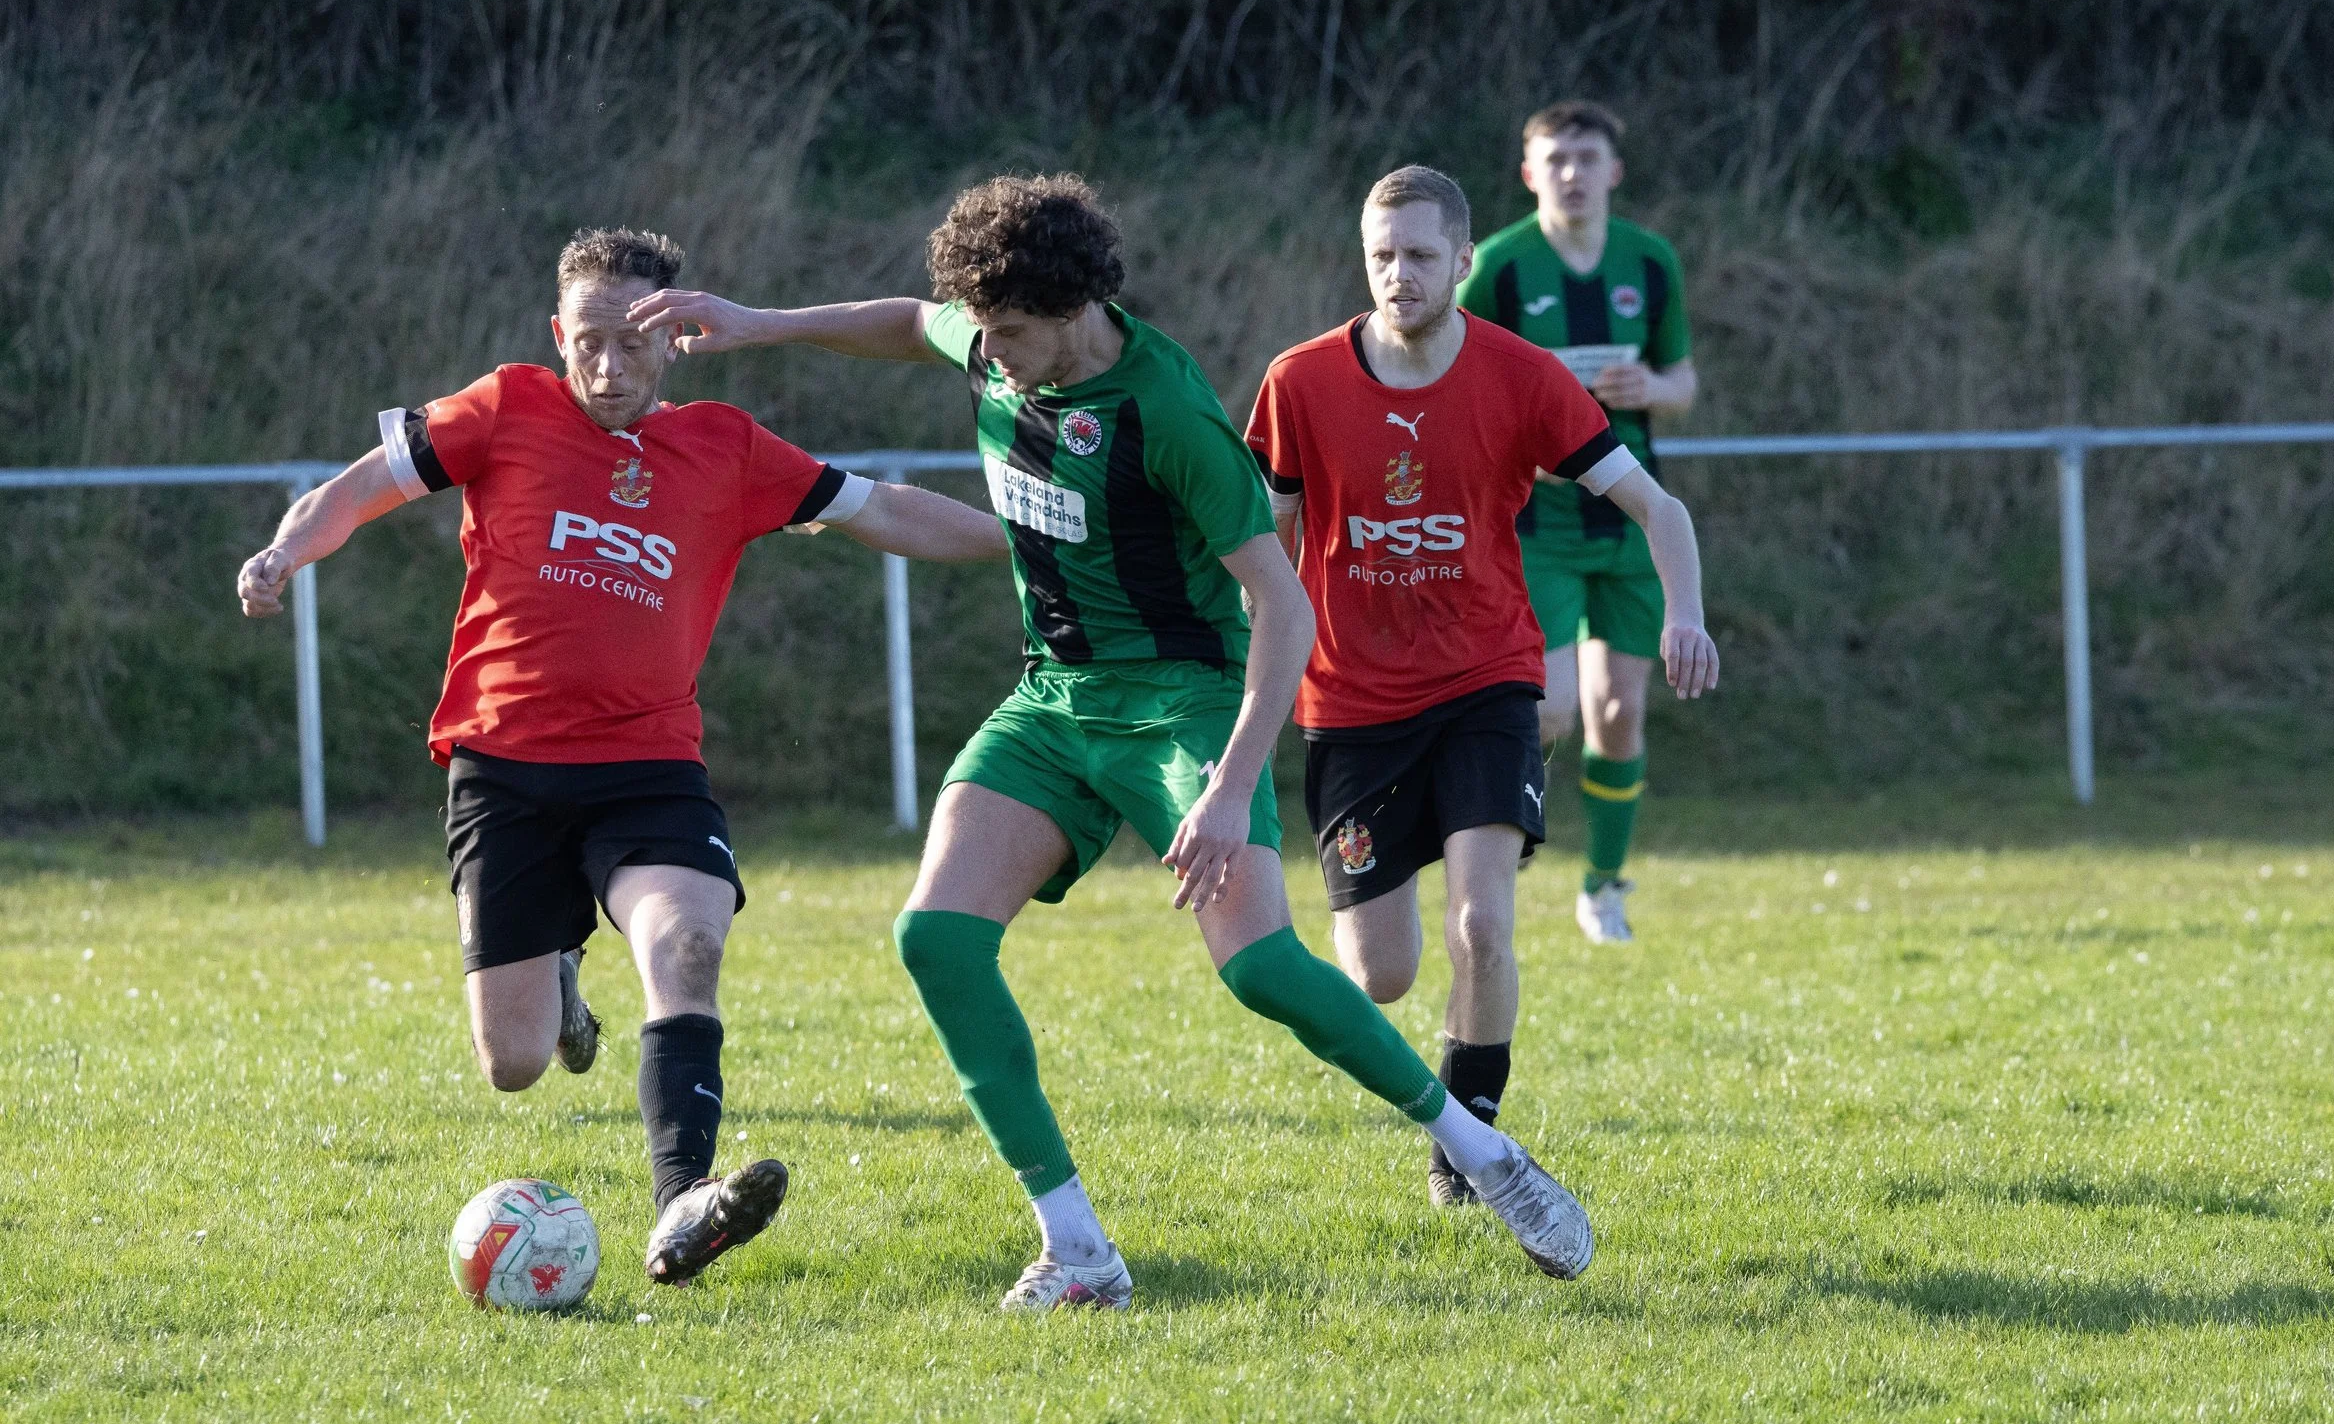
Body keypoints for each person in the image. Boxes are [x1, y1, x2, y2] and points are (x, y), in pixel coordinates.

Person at [630, 173, 1595, 1310]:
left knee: (1264, 972)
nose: (991, 356)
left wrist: (1231, 786)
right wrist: (755, 323)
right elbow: (910, 321)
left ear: (1076, 307)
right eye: (982, 335)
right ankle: (1078, 1243)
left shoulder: (1171, 416)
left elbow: (1282, 608)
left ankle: (1484, 1153)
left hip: (1180, 704)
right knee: (934, 937)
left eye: (1013, 336)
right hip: (1053, 699)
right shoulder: (998, 335)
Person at [234, 227, 1008, 1285]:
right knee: (512, 1063)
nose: (608, 366)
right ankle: (557, 972)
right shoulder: (508, 407)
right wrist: (287, 547)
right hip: (502, 768)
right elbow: (362, 486)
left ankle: (683, 1197)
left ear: (676, 337)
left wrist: (1032, 537)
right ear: (559, 334)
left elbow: (886, 510)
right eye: (588, 340)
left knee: (687, 945)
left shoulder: (726, 447)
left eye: (634, 342)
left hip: (647, 768)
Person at [1247, 165, 1719, 1208]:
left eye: (1420, 256)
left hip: (1484, 683)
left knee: (1483, 928)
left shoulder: (1523, 377)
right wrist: (1247, 669)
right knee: (1381, 974)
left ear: (1466, 261)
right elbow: (1259, 550)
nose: (1398, 275)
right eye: (1381, 255)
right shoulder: (1299, 383)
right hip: (1350, 703)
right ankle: (1454, 1117)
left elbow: (1659, 508)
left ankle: (1469, 1149)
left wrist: (1683, 612)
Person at [1457, 101, 1698, 943]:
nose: (1571, 172)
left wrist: (1650, 391)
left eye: (1587, 157)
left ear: (1613, 170)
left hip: (1629, 517)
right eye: (1554, 158)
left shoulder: (1651, 260)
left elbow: (1684, 381)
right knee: (1550, 710)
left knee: (1619, 711)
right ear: (1529, 173)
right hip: (1537, 521)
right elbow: (1459, 378)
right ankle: (1498, 850)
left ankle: (1603, 886)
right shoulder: (1496, 267)